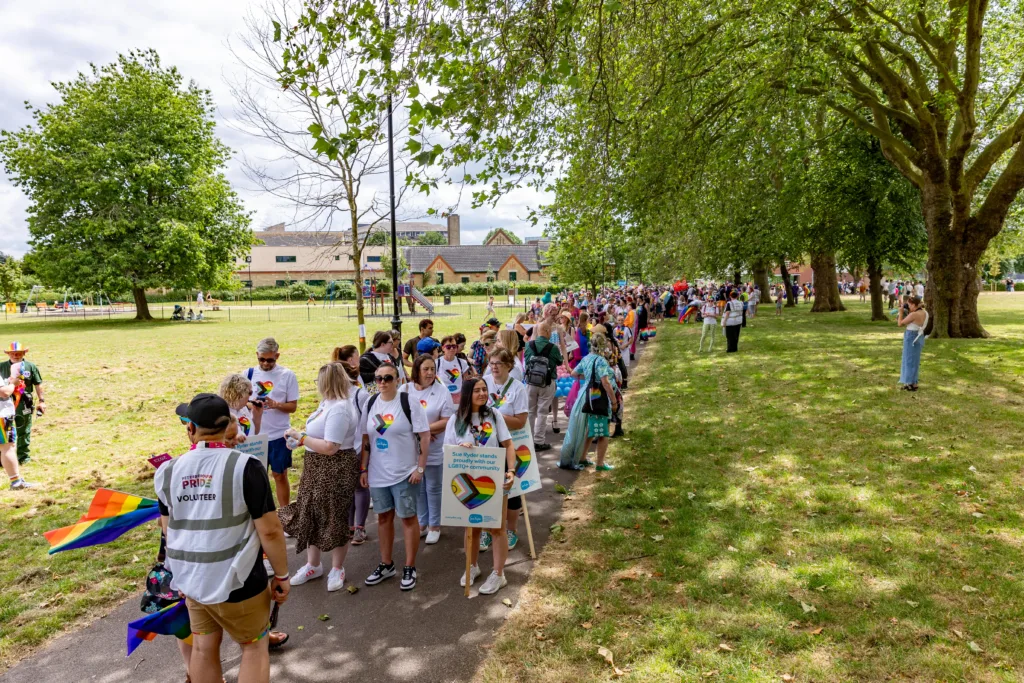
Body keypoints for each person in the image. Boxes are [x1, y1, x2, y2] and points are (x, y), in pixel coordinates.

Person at [155, 394, 290, 683]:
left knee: (203, 650)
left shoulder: (167, 471)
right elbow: (270, 530)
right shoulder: (247, 466)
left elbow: (168, 529)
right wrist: (282, 575)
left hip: (192, 581)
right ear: (229, 425)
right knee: (254, 647)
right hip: (240, 582)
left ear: (190, 428)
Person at [278, 363, 359, 592]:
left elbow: (331, 447)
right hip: (315, 466)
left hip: (335, 467)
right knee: (310, 511)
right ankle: (313, 565)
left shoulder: (340, 408)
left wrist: (301, 438)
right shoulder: (327, 404)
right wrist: (297, 440)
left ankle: (337, 568)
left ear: (326, 383)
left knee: (334, 514)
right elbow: (317, 437)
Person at [358, 362, 431, 591]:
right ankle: (386, 564)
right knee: (383, 518)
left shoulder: (408, 402)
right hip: (378, 474)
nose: (382, 383)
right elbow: (366, 440)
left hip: (404, 473)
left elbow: (425, 436)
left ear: (398, 380)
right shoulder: (370, 403)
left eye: (388, 378)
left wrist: (419, 468)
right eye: (378, 378)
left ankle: (409, 566)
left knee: (408, 519)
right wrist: (364, 468)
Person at [445, 377, 517, 595]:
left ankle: (499, 573)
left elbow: (508, 444)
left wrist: (511, 470)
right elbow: (447, 452)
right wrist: (460, 447)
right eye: (477, 390)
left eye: (484, 389)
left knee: (497, 528)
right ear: (467, 393)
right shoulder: (456, 419)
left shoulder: (494, 415)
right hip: (467, 483)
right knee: (472, 527)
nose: (482, 393)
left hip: (494, 479)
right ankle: (472, 566)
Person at [401, 354, 455, 545]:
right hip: (410, 449)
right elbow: (399, 418)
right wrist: (419, 432)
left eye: (433, 369)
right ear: (417, 370)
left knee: (433, 486)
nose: (430, 373)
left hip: (434, 447)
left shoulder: (442, 391)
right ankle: (422, 523)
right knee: (418, 487)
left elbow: (447, 420)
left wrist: (424, 431)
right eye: (426, 369)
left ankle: (435, 525)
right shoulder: (405, 390)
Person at [482, 348, 529, 552]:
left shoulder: (517, 388)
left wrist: (494, 415)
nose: (494, 367)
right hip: (485, 444)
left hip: (510, 444)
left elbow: (520, 421)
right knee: (485, 487)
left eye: (498, 363)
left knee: (511, 490)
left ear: (509, 365)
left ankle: (511, 530)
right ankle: (486, 529)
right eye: (491, 363)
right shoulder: (483, 383)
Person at [247, 338, 299, 506]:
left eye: (270, 360)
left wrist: (275, 404)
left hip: (279, 435)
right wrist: (252, 404)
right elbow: (240, 403)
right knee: (255, 479)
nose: (265, 363)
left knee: (280, 475)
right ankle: (261, 517)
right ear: (256, 355)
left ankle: (284, 516)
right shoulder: (247, 374)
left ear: (277, 356)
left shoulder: (287, 375)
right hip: (255, 437)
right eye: (261, 359)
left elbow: (292, 407)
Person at [560, 334, 619, 471]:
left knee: (588, 429)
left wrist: (587, 377)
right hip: (598, 397)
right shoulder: (601, 361)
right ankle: (600, 463)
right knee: (603, 431)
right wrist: (614, 401)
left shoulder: (587, 359)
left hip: (584, 396)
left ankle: (582, 458)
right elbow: (605, 382)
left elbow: (574, 373)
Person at [332, 345, 372, 544]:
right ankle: (348, 526)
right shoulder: (333, 395)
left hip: (356, 448)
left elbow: (367, 428)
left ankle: (360, 527)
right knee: (346, 488)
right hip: (339, 449)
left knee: (359, 487)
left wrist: (365, 454)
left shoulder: (359, 395)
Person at [1, 342, 45, 465]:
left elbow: (38, 384)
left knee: (23, 428)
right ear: (8, 353)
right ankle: (3, 458)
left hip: (24, 402)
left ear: (24, 353)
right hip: (4, 403)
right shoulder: (1, 367)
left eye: (19, 353)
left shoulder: (31, 366)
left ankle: (23, 457)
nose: (16, 355)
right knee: (4, 429)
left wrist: (42, 401)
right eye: (13, 353)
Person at [524, 316, 563, 452]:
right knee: (542, 412)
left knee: (530, 411)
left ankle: (527, 439)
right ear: (546, 331)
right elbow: (559, 362)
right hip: (547, 383)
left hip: (530, 383)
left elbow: (527, 361)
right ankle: (539, 441)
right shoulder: (552, 347)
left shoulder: (529, 345)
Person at [0, 366, 33, 490]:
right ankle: (16, 482)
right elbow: (4, 393)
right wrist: (13, 384)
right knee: (7, 447)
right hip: (1, 416)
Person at [219, 373, 262, 445]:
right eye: (250, 392)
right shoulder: (221, 412)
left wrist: (257, 415)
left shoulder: (243, 408)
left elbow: (253, 433)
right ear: (239, 394)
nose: (250, 397)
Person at [897, 296, 928, 391]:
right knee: (914, 360)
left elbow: (900, 323)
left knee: (908, 359)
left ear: (914, 304)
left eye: (910, 304)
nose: (908, 306)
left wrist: (901, 313)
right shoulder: (924, 312)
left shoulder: (913, 315)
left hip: (911, 336)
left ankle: (909, 383)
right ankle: (913, 382)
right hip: (918, 336)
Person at [437, 335, 472, 405]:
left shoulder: (462, 363)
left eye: (454, 346)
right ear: (443, 348)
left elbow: (466, 382)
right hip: (442, 397)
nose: (452, 349)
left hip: (459, 398)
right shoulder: (437, 363)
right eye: (448, 347)